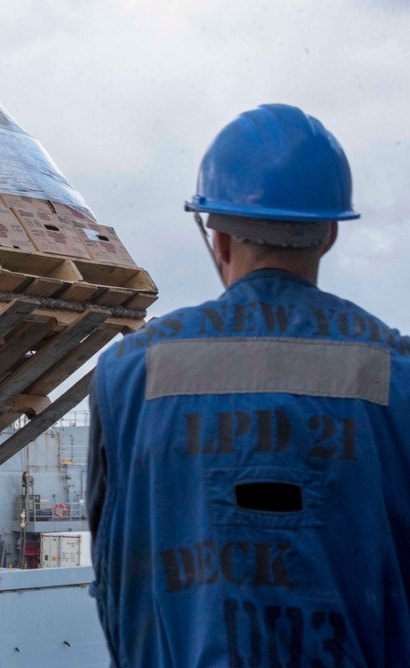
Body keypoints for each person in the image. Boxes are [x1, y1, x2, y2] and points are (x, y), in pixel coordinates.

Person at [87, 104, 410, 667]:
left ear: (218, 237)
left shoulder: (128, 375)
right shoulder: (396, 374)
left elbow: (117, 577)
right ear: (330, 234)